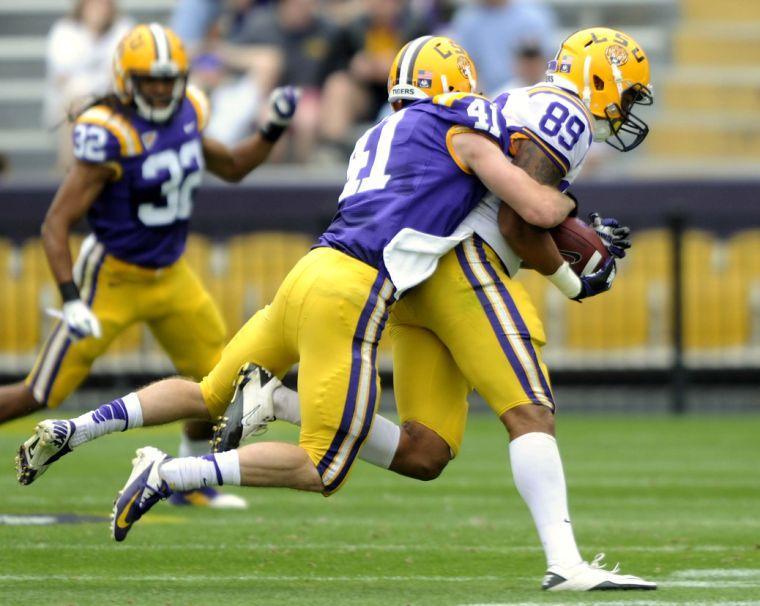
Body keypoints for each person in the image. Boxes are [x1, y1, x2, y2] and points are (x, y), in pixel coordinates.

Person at [16, 37, 574, 543]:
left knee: (210, 392)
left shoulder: (374, 137)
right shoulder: (456, 126)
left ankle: (80, 427)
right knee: (322, 466)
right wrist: (572, 220)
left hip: (308, 271)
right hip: (353, 291)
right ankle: (169, 472)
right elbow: (535, 205)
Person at [218, 28, 657, 591]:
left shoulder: (520, 99)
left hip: (423, 272)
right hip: (465, 265)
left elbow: (520, 203)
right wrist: (572, 278)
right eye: (628, 92)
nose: (628, 107)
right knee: (530, 409)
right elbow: (517, 221)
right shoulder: (564, 113)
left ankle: (277, 400)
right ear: (602, 77)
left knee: (424, 452)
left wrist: (566, 233)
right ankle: (566, 564)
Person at [5, 23, 300, 508]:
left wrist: (272, 127)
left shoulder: (190, 112)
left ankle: (191, 480)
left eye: (168, 79)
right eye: (151, 80)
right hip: (112, 279)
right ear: (126, 80)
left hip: (172, 274)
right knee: (39, 392)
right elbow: (55, 224)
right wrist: (72, 300)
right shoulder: (109, 133)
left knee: (218, 383)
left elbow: (234, 167)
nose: (162, 89)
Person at [43, 0, 133, 172]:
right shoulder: (64, 32)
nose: (98, 8)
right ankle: (70, 171)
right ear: (82, 5)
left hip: (113, 103)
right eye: (93, 3)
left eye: (103, 3)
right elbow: (63, 79)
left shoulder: (124, 29)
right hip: (69, 107)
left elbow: (124, 75)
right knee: (75, 102)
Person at [449, 0, 557, 96]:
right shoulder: (467, 20)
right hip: (484, 98)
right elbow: (463, 70)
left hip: (526, 94)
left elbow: (544, 64)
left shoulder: (533, 16)